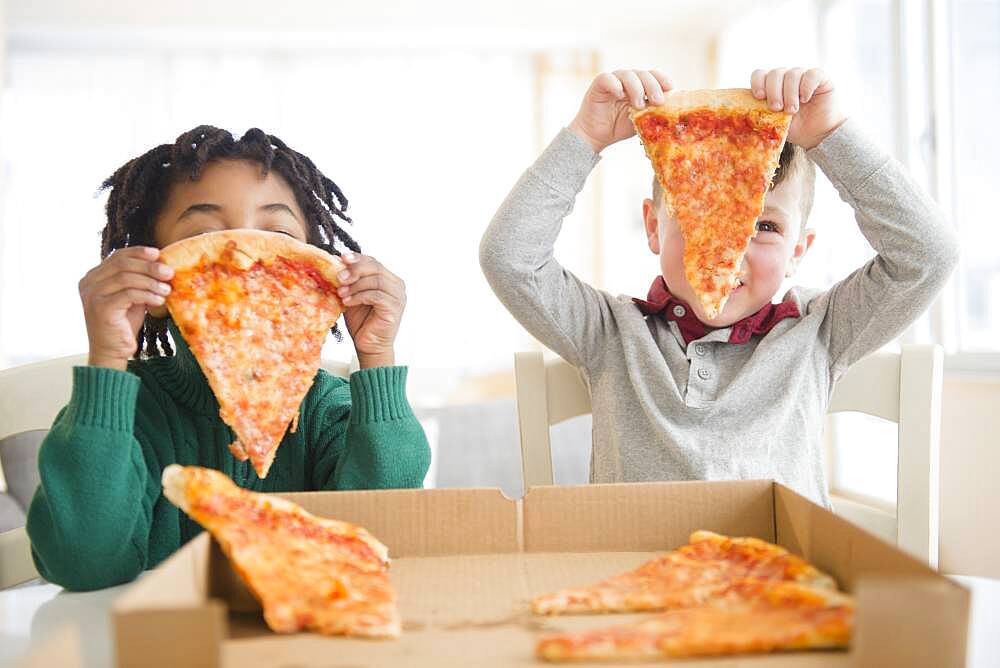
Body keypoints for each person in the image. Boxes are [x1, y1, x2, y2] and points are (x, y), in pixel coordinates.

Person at [480, 67, 958, 506]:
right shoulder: (609, 334)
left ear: (798, 250)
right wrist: (585, 138)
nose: (730, 248)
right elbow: (509, 258)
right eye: (699, 217)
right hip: (639, 584)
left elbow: (928, 254)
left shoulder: (820, 331)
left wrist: (832, 136)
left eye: (765, 227)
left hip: (772, 585)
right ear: (653, 228)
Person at [27, 126, 430, 591]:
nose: (244, 258)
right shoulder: (124, 415)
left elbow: (382, 541)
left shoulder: (328, 412)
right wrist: (108, 358)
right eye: (204, 236)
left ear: (319, 281)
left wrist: (377, 356)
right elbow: (84, 564)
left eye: (276, 234)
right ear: (152, 278)